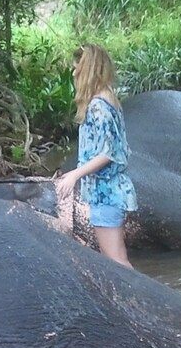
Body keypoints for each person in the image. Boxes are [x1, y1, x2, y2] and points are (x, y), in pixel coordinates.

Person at [56, 43, 138, 268]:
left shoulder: (97, 107)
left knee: (117, 261)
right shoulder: (108, 98)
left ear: (89, 69)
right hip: (111, 190)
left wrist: (73, 175)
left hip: (107, 192)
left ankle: (146, 302)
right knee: (112, 257)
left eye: (77, 68)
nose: (73, 73)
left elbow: (107, 154)